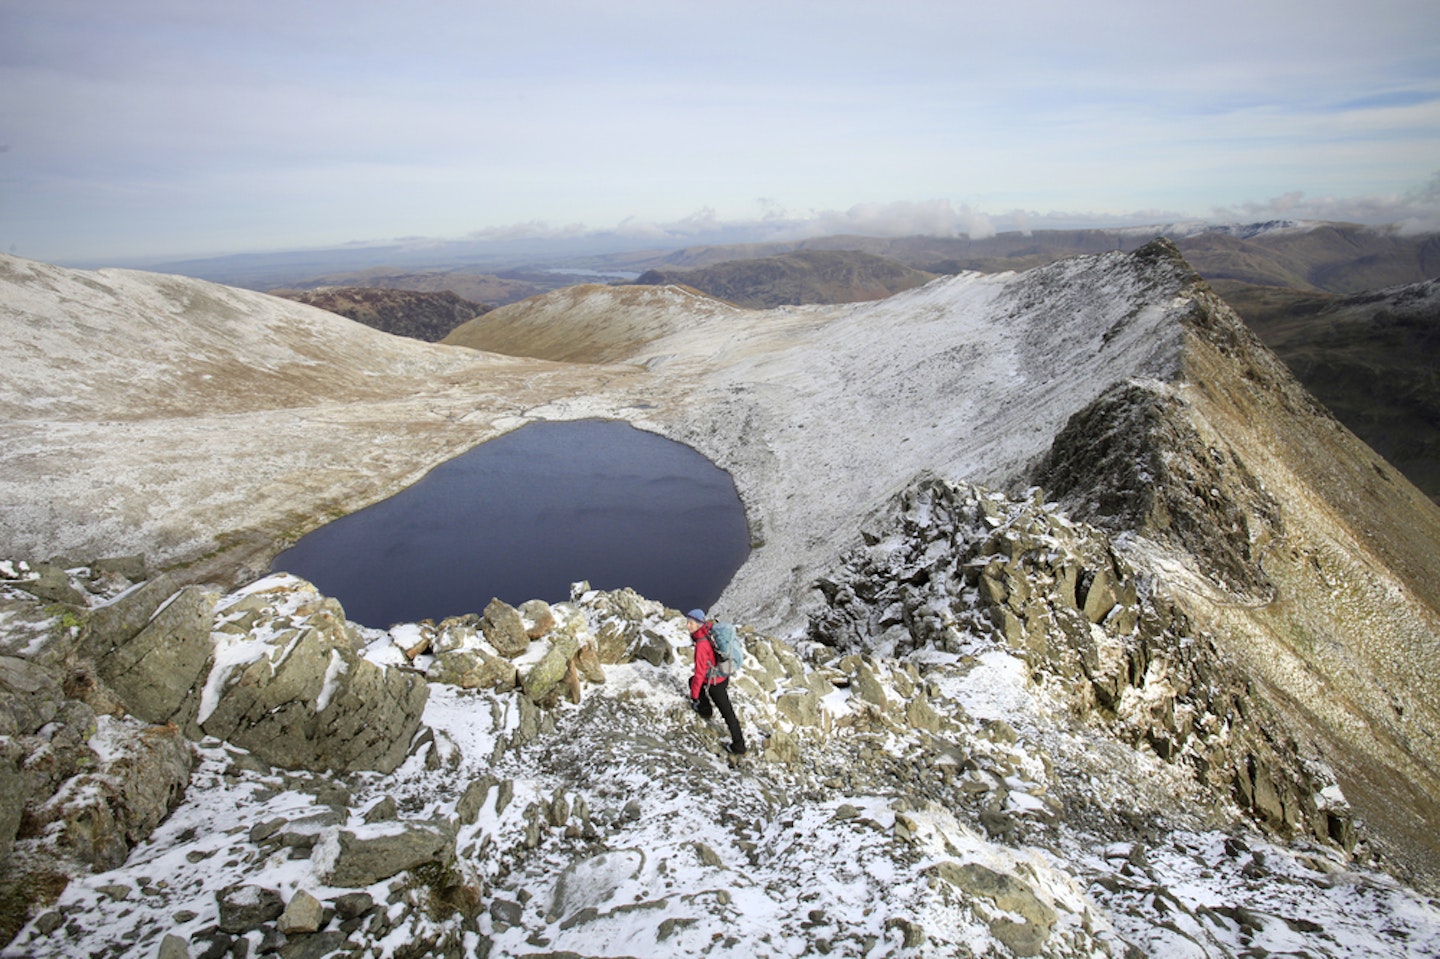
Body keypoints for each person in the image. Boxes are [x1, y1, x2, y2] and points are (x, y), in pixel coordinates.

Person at [686, 608, 747, 755]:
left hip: (715, 682)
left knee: (727, 713)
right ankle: (706, 710)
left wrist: (694, 696)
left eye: (691, 623)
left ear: (700, 624)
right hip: (723, 674)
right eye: (687, 622)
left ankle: (739, 746)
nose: (688, 626)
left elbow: (700, 674)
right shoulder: (709, 630)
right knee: (692, 681)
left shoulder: (701, 644)